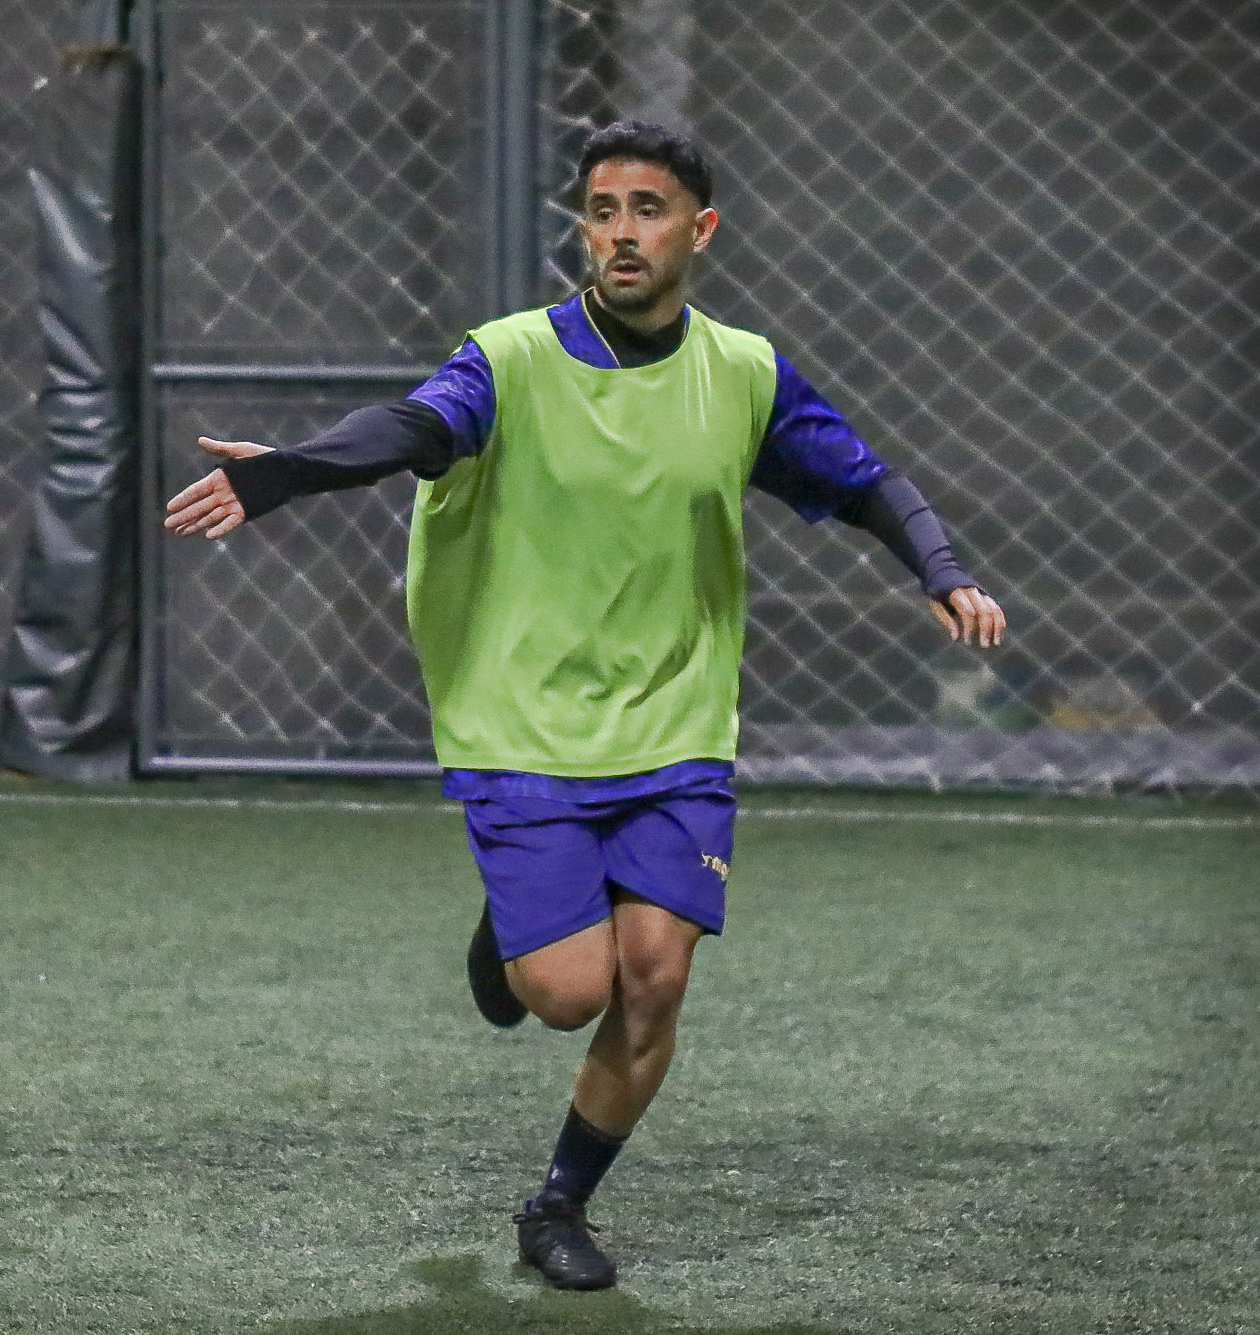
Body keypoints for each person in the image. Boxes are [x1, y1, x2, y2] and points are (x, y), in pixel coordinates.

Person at [164, 120, 1006, 1292]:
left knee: (652, 980)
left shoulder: (744, 375)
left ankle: (557, 1204)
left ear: (698, 231)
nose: (619, 233)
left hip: (674, 723)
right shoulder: (508, 359)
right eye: (601, 210)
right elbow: (410, 428)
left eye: (646, 211)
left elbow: (866, 483)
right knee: (567, 996)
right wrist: (287, 472)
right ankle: (514, 936)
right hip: (522, 723)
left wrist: (942, 569)